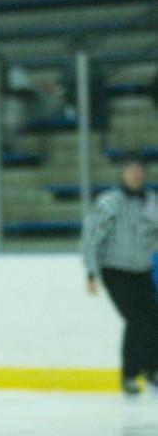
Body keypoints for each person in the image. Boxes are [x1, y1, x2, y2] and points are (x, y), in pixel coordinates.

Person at [82, 153, 158, 394]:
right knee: (137, 319)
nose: (135, 175)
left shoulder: (151, 202)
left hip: (142, 269)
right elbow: (92, 239)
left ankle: (152, 370)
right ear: (123, 173)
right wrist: (92, 273)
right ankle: (129, 374)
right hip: (116, 271)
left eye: (139, 170)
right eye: (130, 170)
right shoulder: (109, 203)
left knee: (153, 319)